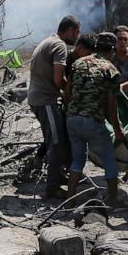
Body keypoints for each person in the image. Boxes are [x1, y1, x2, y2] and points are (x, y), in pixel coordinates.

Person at [65, 32, 125, 207]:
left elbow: (68, 91)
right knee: (109, 158)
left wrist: (72, 109)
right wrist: (117, 130)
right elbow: (111, 106)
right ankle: (113, 199)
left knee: (77, 159)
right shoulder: (111, 70)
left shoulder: (78, 63)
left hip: (72, 119)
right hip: (93, 121)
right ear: (112, 50)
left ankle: (70, 199)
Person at [28, 15, 80, 199]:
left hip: (40, 98)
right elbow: (58, 79)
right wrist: (70, 92)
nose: (77, 35)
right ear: (70, 30)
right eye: (77, 31)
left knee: (58, 139)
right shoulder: (59, 46)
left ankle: (57, 177)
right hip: (45, 100)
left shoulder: (48, 41)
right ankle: (52, 187)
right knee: (56, 143)